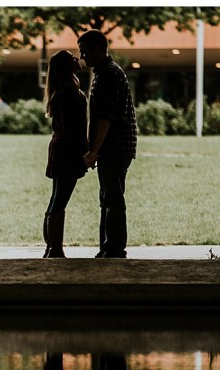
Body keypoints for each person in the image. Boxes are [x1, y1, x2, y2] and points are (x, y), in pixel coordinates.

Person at [78, 29, 138, 258]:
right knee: (108, 197)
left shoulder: (108, 75)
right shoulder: (107, 72)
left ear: (97, 49)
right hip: (116, 146)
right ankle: (107, 247)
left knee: (112, 198)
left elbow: (105, 117)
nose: (83, 57)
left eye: (85, 52)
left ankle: (113, 248)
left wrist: (93, 151)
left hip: (114, 147)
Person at [42, 50, 89, 258]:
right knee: (60, 200)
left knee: (56, 198)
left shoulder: (62, 90)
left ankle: (51, 247)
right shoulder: (70, 92)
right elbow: (74, 129)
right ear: (65, 66)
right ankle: (55, 248)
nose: (76, 58)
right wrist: (86, 153)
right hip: (67, 151)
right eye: (71, 57)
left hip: (59, 148)